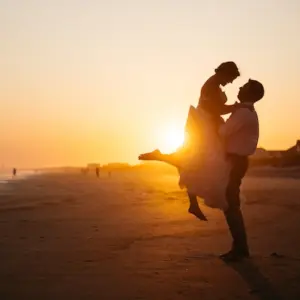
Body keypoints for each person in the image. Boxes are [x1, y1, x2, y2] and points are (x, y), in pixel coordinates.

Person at [139, 62, 240, 220]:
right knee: (196, 161)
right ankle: (161, 157)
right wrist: (235, 108)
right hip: (204, 125)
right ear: (225, 73)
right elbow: (215, 110)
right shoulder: (212, 86)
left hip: (204, 123)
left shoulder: (213, 84)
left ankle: (192, 203)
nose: (231, 82)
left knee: (194, 161)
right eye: (231, 78)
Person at [219, 79, 264, 262]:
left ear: (251, 94)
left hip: (234, 162)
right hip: (236, 161)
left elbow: (222, 132)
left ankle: (240, 248)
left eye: (243, 87)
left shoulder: (243, 113)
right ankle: (239, 246)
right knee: (230, 203)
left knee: (231, 204)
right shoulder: (246, 112)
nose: (239, 88)